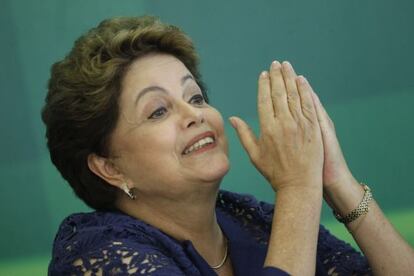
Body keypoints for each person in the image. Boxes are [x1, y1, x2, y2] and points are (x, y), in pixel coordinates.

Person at [42, 16, 414, 276]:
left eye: (197, 97)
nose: (194, 114)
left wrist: (336, 181)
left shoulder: (253, 221)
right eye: (158, 111)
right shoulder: (93, 253)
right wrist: (298, 188)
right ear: (110, 167)